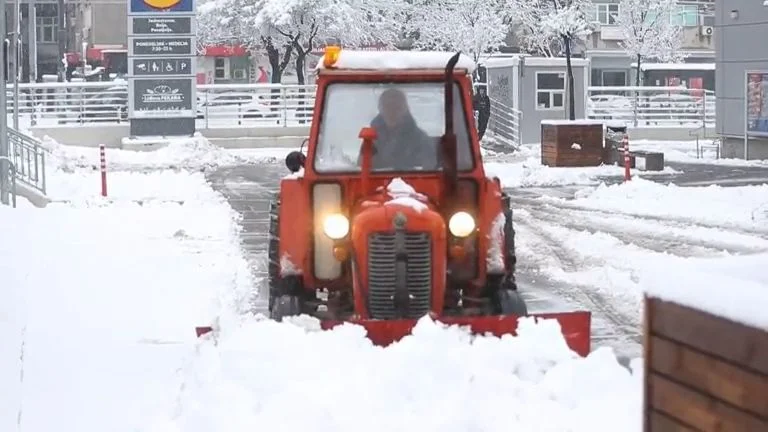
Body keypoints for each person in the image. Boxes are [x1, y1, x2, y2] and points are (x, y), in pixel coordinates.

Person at [363, 88, 437, 170]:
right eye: (387, 106)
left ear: (405, 109)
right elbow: (362, 166)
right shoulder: (371, 138)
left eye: (397, 107)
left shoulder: (421, 139)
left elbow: (429, 170)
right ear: (380, 109)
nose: (391, 112)